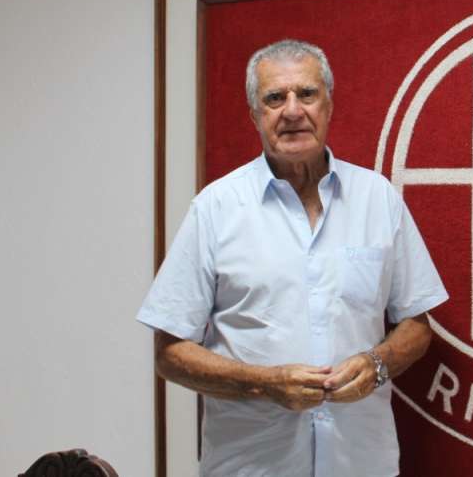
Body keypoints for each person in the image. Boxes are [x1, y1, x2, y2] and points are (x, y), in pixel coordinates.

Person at [137, 39, 448, 476]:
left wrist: (377, 365)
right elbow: (169, 353)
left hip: (361, 463)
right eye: (274, 98)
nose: (292, 110)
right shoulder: (215, 208)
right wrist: (264, 384)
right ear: (255, 115)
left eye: (306, 93)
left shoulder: (378, 199)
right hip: (251, 466)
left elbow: (417, 325)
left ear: (329, 104)